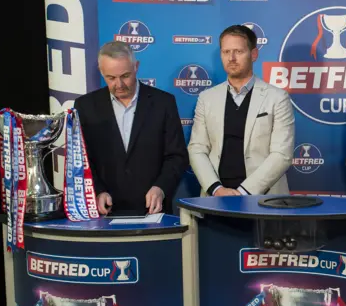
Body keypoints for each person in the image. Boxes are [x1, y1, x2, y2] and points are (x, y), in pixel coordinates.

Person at [74, 41, 189, 215]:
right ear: (101, 72)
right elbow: (82, 158)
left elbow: (177, 156)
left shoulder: (163, 103)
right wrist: (97, 191)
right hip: (104, 211)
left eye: (125, 76)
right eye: (111, 78)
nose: (119, 84)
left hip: (152, 211)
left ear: (136, 67)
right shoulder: (85, 106)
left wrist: (161, 188)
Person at [188, 25, 294, 196]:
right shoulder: (206, 98)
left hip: (263, 200)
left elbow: (282, 155)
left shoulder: (277, 97)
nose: (231, 58)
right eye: (226, 52)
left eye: (238, 51)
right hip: (216, 198)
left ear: (253, 54)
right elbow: (197, 148)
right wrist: (216, 189)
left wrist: (243, 192)